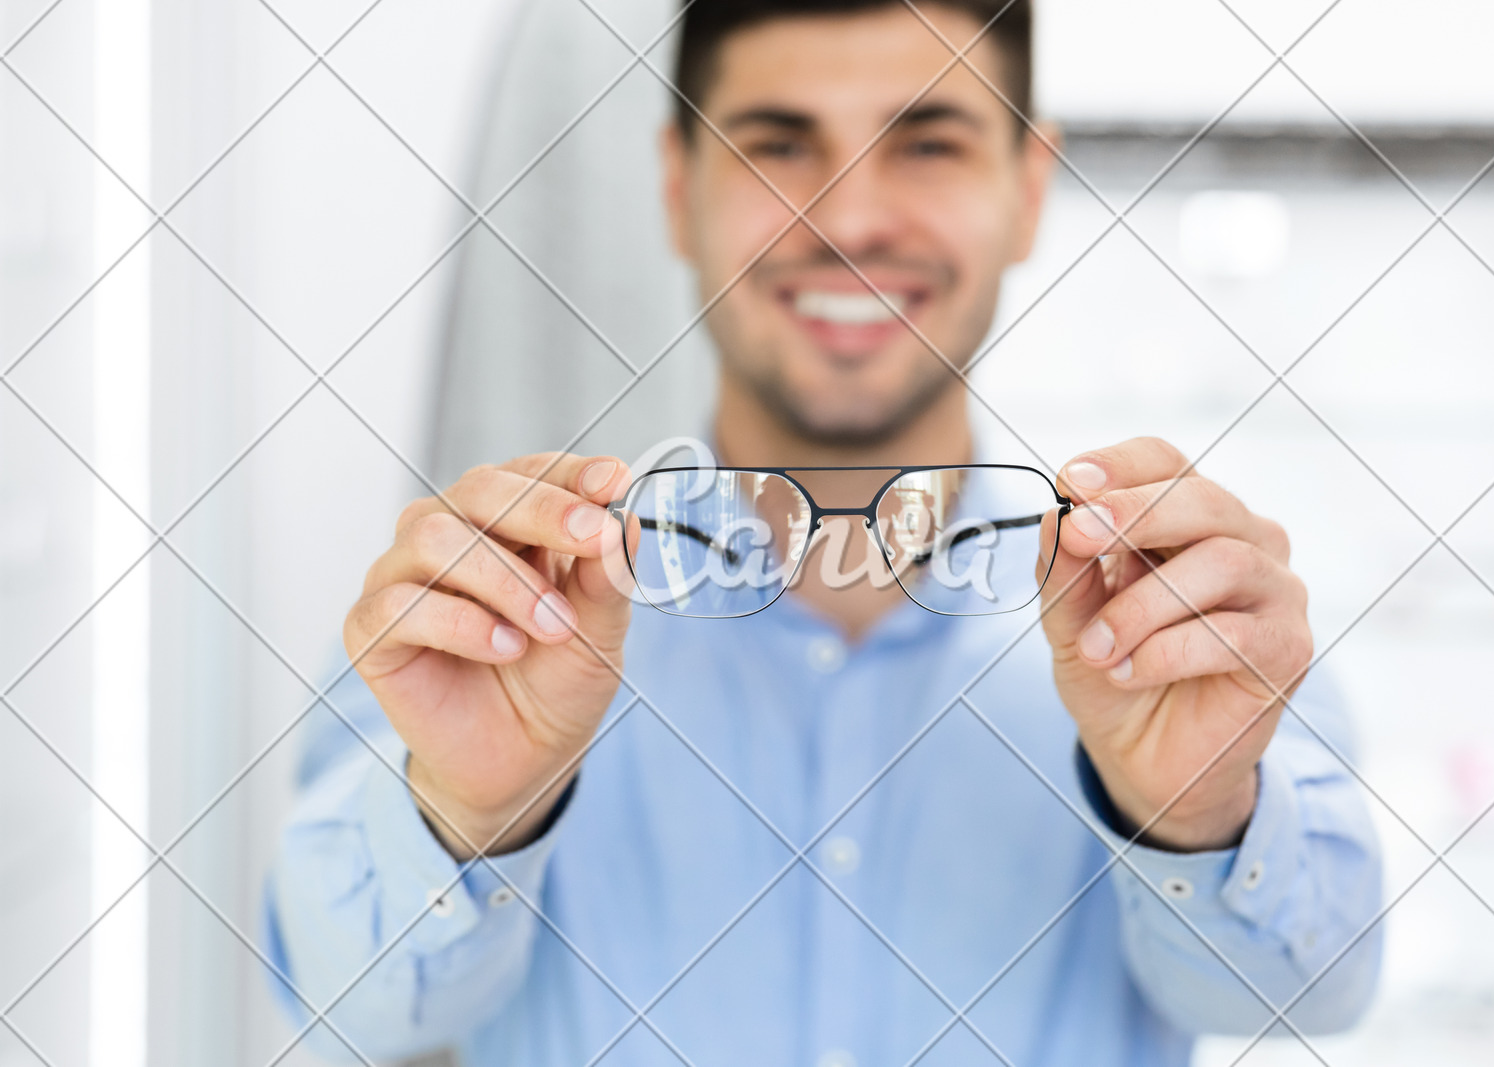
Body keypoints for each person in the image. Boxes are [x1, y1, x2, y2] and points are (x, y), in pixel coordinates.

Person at [264, 0, 1383, 1063]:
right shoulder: (489, 607)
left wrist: (1193, 818)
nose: (847, 217)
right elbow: (343, 1003)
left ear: (1028, 188)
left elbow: (1308, 988)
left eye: (928, 143)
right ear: (675, 186)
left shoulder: (1184, 620)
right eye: (777, 144)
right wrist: (466, 813)